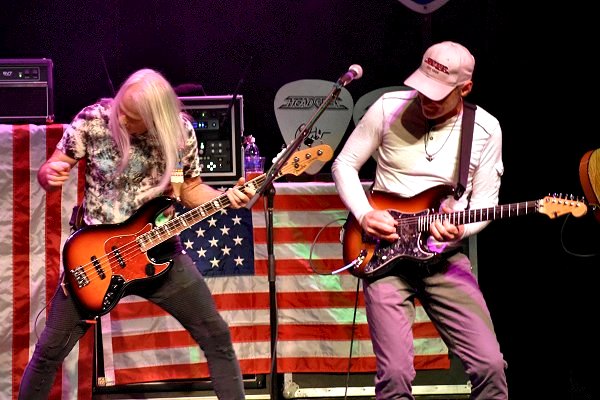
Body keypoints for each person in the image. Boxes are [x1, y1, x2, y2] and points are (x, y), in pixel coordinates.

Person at [19, 68, 253, 400]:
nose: (122, 121)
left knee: (217, 336)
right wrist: (48, 174)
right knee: (49, 351)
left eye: (132, 118)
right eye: (121, 111)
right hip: (97, 258)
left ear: (156, 118)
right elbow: (54, 167)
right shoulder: (93, 120)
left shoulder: (178, 134)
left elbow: (186, 189)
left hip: (160, 255)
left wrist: (227, 199)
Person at [332, 41, 508, 399]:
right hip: (385, 257)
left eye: (439, 94)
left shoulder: (487, 129)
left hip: (444, 260)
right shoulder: (387, 108)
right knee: (395, 375)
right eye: (422, 87)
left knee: (490, 367)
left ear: (465, 89)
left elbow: (486, 200)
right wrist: (365, 214)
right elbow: (344, 164)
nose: (426, 98)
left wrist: (461, 226)